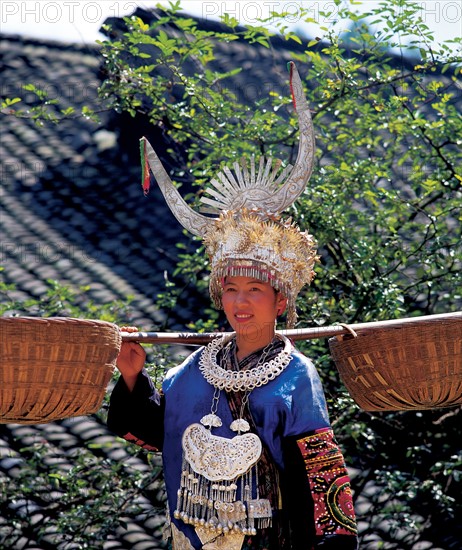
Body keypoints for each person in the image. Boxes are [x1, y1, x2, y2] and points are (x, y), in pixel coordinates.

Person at [107, 62, 359, 550]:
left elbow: (321, 483)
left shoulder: (297, 376)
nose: (240, 303)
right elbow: (156, 432)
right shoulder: (193, 370)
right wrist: (134, 378)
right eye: (230, 289)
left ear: (280, 298)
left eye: (255, 290)